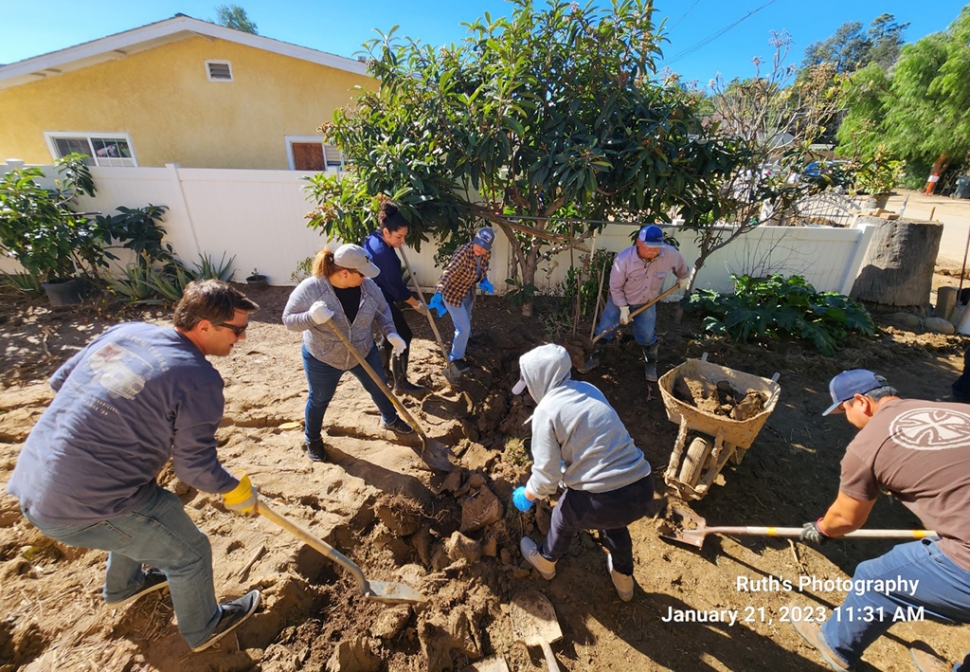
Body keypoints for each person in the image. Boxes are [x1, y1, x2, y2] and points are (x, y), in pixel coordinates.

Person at [6, 280, 262, 653]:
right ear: (204, 326)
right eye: (237, 330)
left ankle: (124, 586)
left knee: (156, 509)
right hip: (77, 507)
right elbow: (193, 468)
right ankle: (203, 627)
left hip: (32, 477)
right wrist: (234, 489)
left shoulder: (129, 331)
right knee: (189, 552)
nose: (240, 339)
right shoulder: (199, 379)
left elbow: (60, 381)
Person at [793, 369, 970, 672]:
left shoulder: (866, 447)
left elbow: (847, 518)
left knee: (877, 579)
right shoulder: (957, 410)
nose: (848, 421)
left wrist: (821, 529)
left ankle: (835, 643)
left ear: (861, 401)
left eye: (844, 410)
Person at [510, 343, 654, 601]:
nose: (530, 393)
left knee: (562, 518)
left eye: (529, 386)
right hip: (641, 486)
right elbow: (597, 435)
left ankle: (545, 561)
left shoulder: (546, 410)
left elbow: (546, 478)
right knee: (616, 526)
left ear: (540, 381)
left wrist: (527, 495)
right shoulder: (589, 389)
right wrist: (571, 466)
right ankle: (624, 580)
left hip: (600, 499)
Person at [282, 243, 413, 463]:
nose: (366, 278)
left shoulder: (368, 288)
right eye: (361, 274)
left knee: (379, 386)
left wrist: (391, 333)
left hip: (362, 351)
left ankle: (389, 418)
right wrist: (311, 318)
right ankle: (312, 439)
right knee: (319, 399)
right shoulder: (312, 288)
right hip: (323, 357)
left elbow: (383, 312)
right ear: (345, 273)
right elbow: (289, 320)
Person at [591, 224, 690, 382]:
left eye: (656, 248)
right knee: (605, 328)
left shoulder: (670, 254)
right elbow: (615, 288)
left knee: (646, 334)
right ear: (638, 242)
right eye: (648, 248)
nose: (652, 252)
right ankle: (594, 357)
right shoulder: (623, 260)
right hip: (620, 301)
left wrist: (684, 277)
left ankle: (650, 363)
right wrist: (623, 309)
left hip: (647, 303)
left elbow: (681, 268)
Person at [363, 201, 428, 395]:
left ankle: (384, 372)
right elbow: (398, 289)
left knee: (388, 333)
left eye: (404, 237)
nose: (402, 242)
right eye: (399, 237)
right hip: (379, 300)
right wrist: (417, 305)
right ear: (386, 233)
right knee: (403, 335)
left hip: (372, 295)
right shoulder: (383, 254)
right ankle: (401, 383)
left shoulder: (373, 237)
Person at [428, 227, 495, 373]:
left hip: (467, 291)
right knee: (463, 327)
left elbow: (481, 271)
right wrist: (439, 291)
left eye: (484, 247)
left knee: (467, 318)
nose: (480, 248)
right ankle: (455, 358)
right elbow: (448, 272)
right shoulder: (462, 253)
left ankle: (466, 341)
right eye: (478, 244)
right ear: (474, 241)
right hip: (452, 294)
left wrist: (484, 281)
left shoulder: (485, 255)